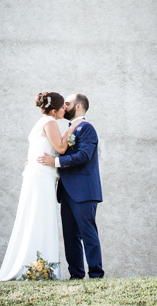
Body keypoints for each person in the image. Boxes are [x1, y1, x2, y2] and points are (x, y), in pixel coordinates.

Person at [0, 91, 74, 280]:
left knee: (36, 217)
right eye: (63, 107)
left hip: (38, 175)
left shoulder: (39, 123)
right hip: (42, 177)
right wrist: (71, 130)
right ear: (54, 110)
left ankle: (37, 265)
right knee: (42, 217)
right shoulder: (50, 122)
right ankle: (39, 266)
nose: (65, 109)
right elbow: (61, 148)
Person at [37, 92, 104, 279]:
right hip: (66, 191)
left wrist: (56, 163)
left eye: (67, 103)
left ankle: (96, 275)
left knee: (88, 234)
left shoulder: (87, 128)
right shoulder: (66, 129)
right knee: (70, 236)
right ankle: (76, 275)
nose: (64, 107)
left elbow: (84, 155)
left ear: (79, 107)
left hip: (84, 191)